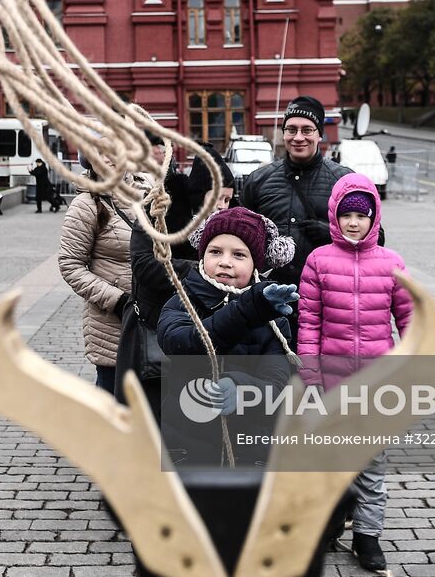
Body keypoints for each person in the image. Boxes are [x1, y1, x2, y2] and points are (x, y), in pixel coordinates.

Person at [297, 174, 412, 573]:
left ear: (373, 217)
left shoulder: (392, 263)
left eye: (360, 215)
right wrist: (310, 376)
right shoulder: (318, 261)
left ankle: (368, 537)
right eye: (345, 214)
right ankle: (326, 527)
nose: (353, 222)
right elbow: (309, 324)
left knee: (371, 465)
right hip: (331, 383)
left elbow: (411, 320)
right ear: (334, 215)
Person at [156, 207, 299, 463]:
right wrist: (247, 311)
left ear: (256, 264)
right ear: (201, 256)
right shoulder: (181, 302)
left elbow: (278, 384)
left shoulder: (273, 317)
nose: (225, 261)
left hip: (251, 448)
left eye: (239, 255)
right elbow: (181, 344)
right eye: (215, 252)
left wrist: (243, 388)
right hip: (187, 446)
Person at [239, 96, 352, 285]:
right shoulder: (259, 179)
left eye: (307, 130)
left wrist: (334, 232)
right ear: (283, 133)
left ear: (319, 134)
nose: (298, 137)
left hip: (329, 293)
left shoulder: (344, 181)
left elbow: (374, 238)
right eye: (291, 129)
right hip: (268, 296)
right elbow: (238, 235)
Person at [57, 167, 134, 393]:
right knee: (113, 403)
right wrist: (118, 301)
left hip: (153, 318)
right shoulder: (84, 205)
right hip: (112, 322)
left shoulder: (143, 195)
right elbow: (70, 265)